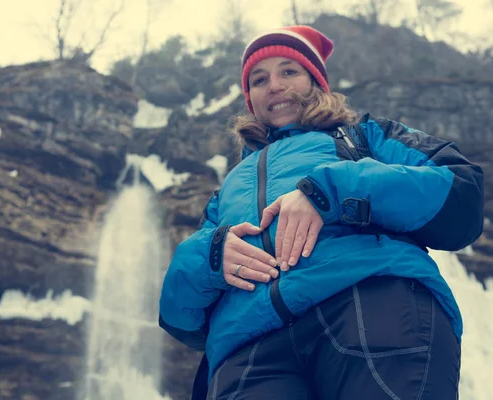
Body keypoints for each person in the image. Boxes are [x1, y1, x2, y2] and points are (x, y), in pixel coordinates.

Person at [159, 25, 484, 400]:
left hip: (369, 304)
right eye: (259, 79)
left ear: (316, 82)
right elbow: (179, 318)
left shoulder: (363, 136)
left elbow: (461, 194)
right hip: (250, 351)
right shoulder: (227, 189)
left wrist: (331, 189)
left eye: (289, 71)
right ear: (250, 98)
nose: (275, 85)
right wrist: (212, 256)